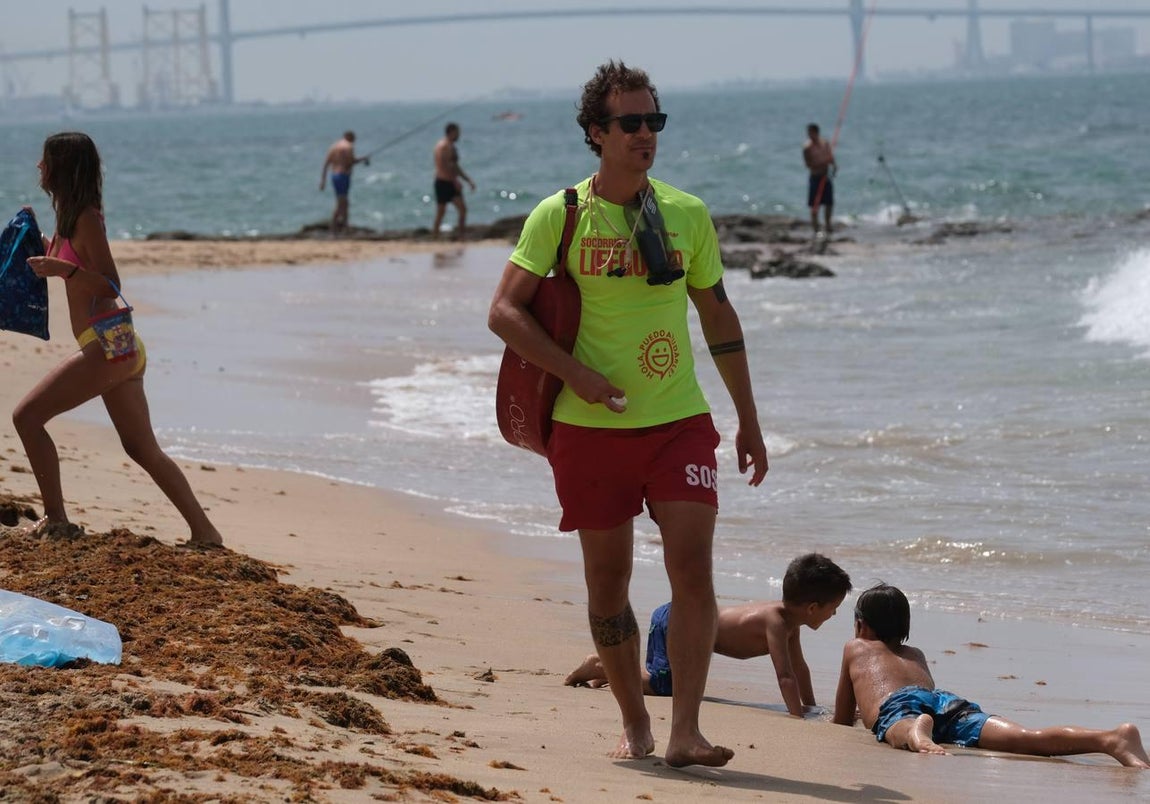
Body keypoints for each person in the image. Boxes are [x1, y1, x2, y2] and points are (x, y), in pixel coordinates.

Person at [488, 61, 768, 768]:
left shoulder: (686, 214)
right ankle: (635, 723)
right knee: (607, 584)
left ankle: (685, 732)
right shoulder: (562, 215)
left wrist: (748, 417)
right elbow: (504, 310)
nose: (646, 135)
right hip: (590, 434)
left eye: (655, 122)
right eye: (631, 123)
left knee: (693, 574)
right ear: (597, 133)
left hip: (679, 423)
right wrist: (575, 374)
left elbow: (718, 316)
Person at [15, 131, 223, 548]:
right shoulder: (70, 218)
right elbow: (68, 260)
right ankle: (206, 533)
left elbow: (110, 282)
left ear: (63, 168)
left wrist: (64, 271)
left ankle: (55, 520)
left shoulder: (87, 218)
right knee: (142, 449)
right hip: (120, 346)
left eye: (45, 160)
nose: (39, 167)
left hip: (106, 344)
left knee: (27, 417)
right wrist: (30, 243)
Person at [833, 583, 1150, 768]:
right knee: (1027, 738)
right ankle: (1111, 738)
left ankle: (915, 733)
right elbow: (918, 693)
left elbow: (843, 716)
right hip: (946, 702)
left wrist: (857, 717)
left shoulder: (856, 647)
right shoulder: (915, 654)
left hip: (903, 707)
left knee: (897, 727)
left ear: (861, 624)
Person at [565, 553, 852, 718]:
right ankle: (600, 666)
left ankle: (606, 673)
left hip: (686, 617)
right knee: (666, 686)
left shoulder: (790, 622)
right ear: (812, 608)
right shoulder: (775, 622)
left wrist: (811, 707)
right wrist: (797, 716)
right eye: (833, 609)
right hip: (678, 620)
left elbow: (799, 668)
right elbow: (785, 676)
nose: (835, 615)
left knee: (671, 682)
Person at [319, 130, 369, 235]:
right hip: (343, 176)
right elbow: (350, 162)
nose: (354, 142)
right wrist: (363, 159)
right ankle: (336, 228)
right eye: (354, 140)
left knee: (343, 202)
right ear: (350, 137)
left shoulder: (333, 146)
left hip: (334, 176)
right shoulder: (348, 146)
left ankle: (343, 227)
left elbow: (326, 164)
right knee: (342, 203)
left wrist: (323, 180)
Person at [432, 122, 475, 239]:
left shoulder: (441, 145)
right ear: (451, 132)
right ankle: (460, 235)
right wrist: (455, 181)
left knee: (443, 212)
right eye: (457, 133)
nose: (459, 135)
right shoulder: (446, 147)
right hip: (446, 182)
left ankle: (436, 236)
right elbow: (449, 166)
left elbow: (452, 166)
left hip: (441, 181)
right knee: (460, 209)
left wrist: (467, 180)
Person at [802, 123, 836, 242]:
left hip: (825, 177)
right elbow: (808, 164)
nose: (809, 135)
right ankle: (816, 229)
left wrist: (834, 165)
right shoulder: (807, 148)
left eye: (811, 132)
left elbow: (830, 158)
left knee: (829, 203)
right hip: (815, 177)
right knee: (814, 205)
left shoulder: (824, 143)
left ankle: (828, 226)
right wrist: (823, 162)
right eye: (808, 133)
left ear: (816, 132)